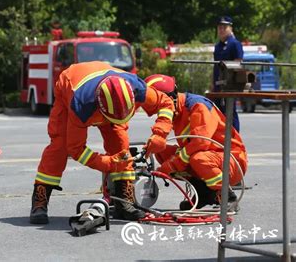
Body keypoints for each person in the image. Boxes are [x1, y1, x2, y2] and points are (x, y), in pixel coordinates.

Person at [30, 61, 175, 224]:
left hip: (107, 93)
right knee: (60, 146)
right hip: (70, 85)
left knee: (120, 144)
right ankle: (39, 201)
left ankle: (123, 201)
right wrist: (106, 164)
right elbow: (76, 149)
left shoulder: (137, 87)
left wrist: (160, 134)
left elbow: (166, 103)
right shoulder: (81, 104)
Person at [145, 74, 248, 209]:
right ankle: (203, 193)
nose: (160, 114)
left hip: (231, 160)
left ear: (170, 99)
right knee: (161, 151)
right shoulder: (176, 111)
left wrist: (173, 165)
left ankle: (227, 196)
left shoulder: (198, 106)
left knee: (198, 158)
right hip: (205, 157)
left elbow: (200, 142)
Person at [212, 16, 243, 131]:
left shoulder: (234, 44)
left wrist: (233, 83)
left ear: (230, 28)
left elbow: (238, 62)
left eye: (224, 27)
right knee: (218, 112)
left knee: (230, 111)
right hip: (218, 85)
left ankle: (235, 138)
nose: (221, 30)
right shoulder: (218, 46)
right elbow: (215, 66)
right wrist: (212, 83)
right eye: (219, 27)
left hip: (230, 85)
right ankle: (221, 139)